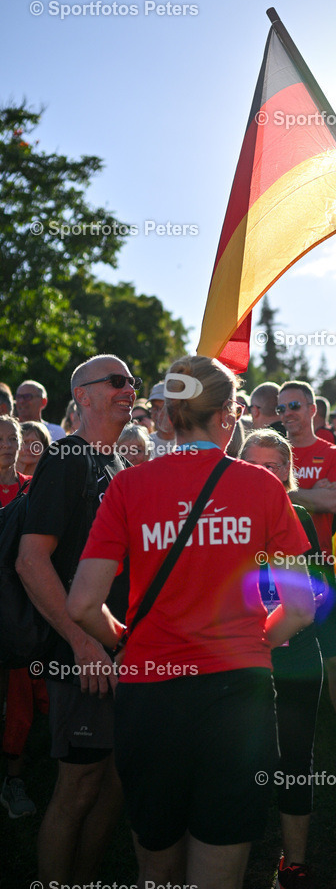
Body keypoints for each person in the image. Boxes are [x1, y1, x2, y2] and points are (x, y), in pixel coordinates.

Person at [66, 355, 315, 889]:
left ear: (171, 415)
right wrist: (254, 643)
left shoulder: (129, 486)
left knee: (157, 862)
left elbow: (83, 604)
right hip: (238, 692)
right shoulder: (263, 486)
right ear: (228, 414)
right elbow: (299, 608)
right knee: (221, 861)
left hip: (150, 692)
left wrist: (125, 643)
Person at [16, 355, 137, 882]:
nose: (129, 389)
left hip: (117, 649)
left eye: (131, 382)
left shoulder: (115, 463)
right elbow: (31, 560)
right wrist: (81, 643)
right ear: (83, 396)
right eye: (116, 382)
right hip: (79, 656)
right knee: (79, 786)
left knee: (113, 782)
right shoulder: (66, 457)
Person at [240, 429, 323, 889]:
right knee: (240, 757)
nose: (264, 474)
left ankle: (295, 862)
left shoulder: (300, 516)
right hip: (242, 658)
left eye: (273, 466)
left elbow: (314, 593)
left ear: (288, 471)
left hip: (295, 656)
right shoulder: (224, 517)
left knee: (295, 758)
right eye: (254, 465)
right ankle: (235, 850)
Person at [277, 381, 336, 781]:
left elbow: (334, 501)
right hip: (273, 568)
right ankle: (276, 744)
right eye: (281, 408)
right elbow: (319, 497)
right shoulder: (271, 450)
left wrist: (282, 492)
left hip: (317, 567)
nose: (287, 413)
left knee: (335, 659)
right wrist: (309, 493)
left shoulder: (334, 453)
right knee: (273, 657)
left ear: (313, 408)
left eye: (294, 405)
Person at [0, 416, 46, 820]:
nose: (6, 445)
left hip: (20, 610)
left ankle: (14, 778)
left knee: (19, 697)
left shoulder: (33, 489)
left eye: (11, 437)